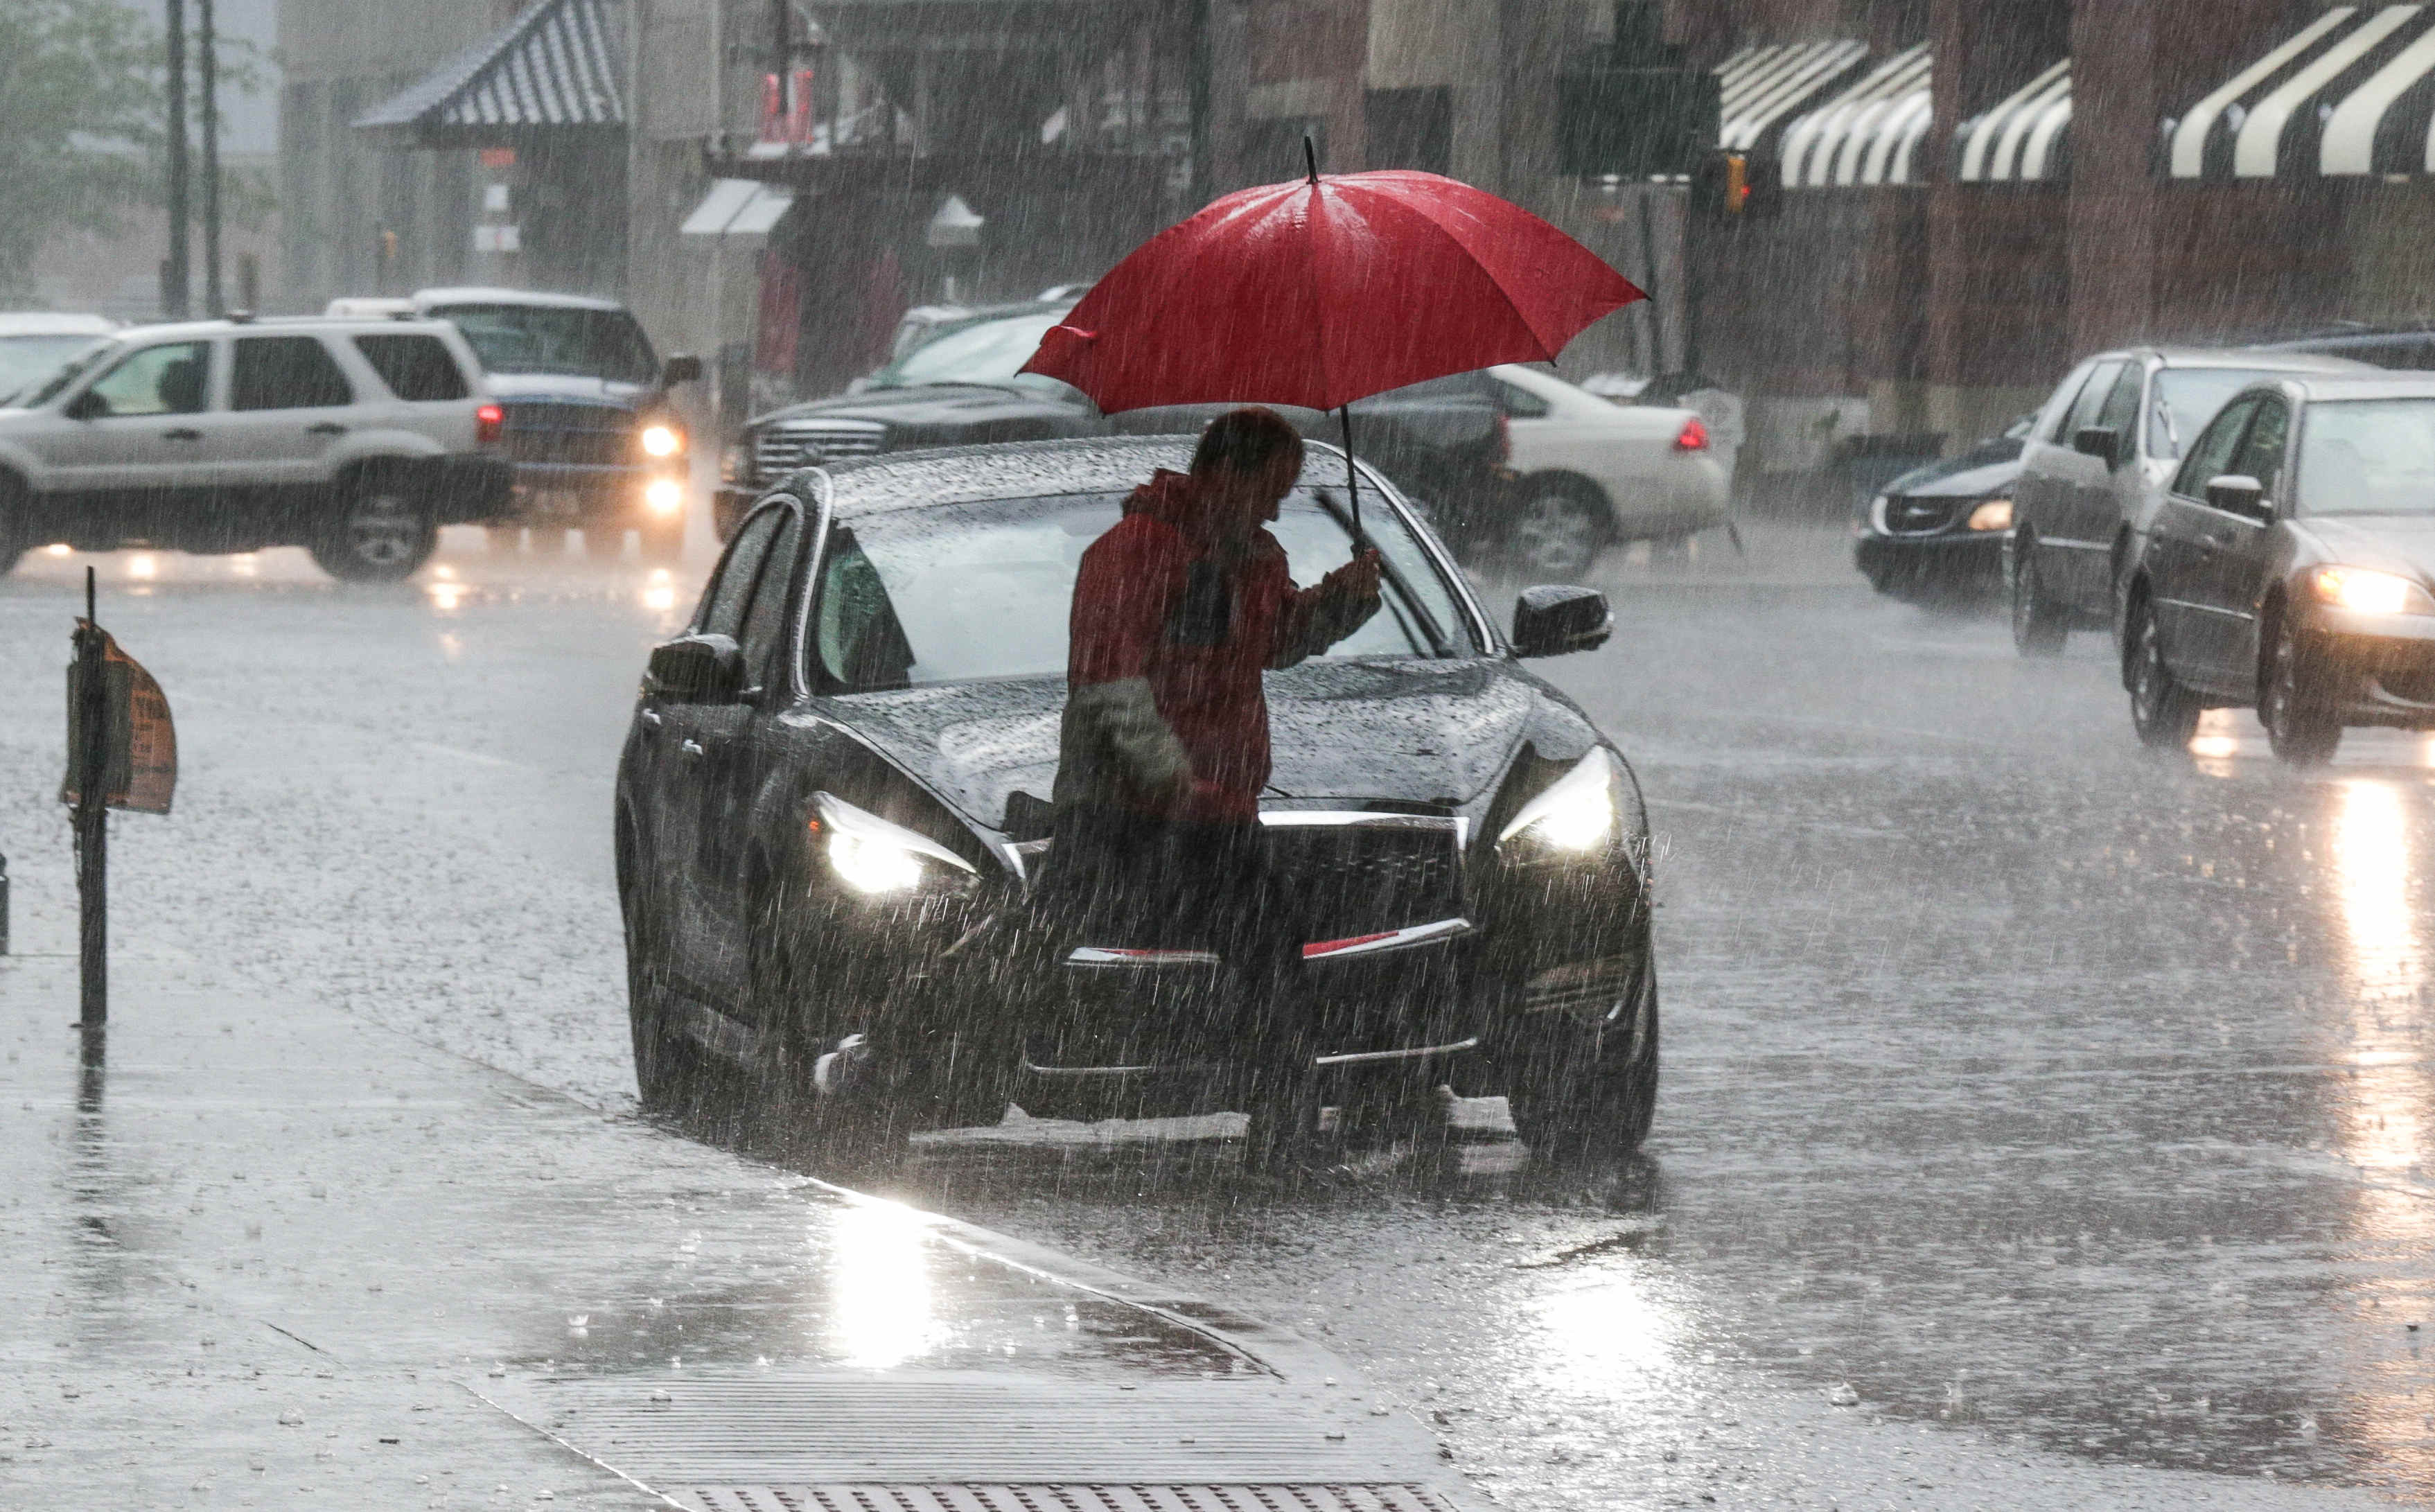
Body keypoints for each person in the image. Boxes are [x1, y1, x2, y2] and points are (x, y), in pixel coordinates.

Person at [1044, 407, 1382, 1145]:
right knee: (1043, 953)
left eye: (1286, 492)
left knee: (1273, 969)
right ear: (1224, 474)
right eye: (1270, 488)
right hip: (1119, 814)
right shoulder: (1132, 551)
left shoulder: (1256, 560)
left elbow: (1275, 642)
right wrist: (1168, 777)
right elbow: (1106, 681)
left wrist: (1342, 600)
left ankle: (1285, 1133)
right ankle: (937, 1069)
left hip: (1220, 815)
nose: (1276, 506)